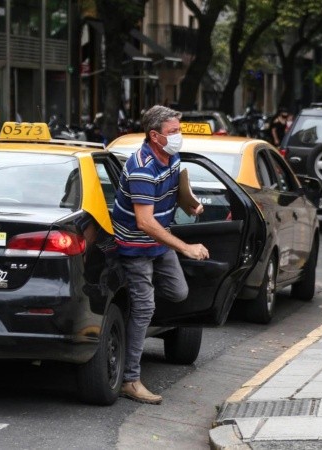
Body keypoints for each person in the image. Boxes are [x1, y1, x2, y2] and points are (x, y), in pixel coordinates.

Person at [111, 105, 208, 404]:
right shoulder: (141, 167)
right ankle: (130, 379)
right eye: (173, 132)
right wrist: (186, 247)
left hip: (158, 244)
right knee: (144, 307)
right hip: (137, 246)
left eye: (179, 130)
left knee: (178, 293)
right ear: (154, 135)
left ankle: (134, 321)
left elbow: (172, 189)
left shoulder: (171, 156)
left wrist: (188, 203)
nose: (178, 136)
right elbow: (145, 222)